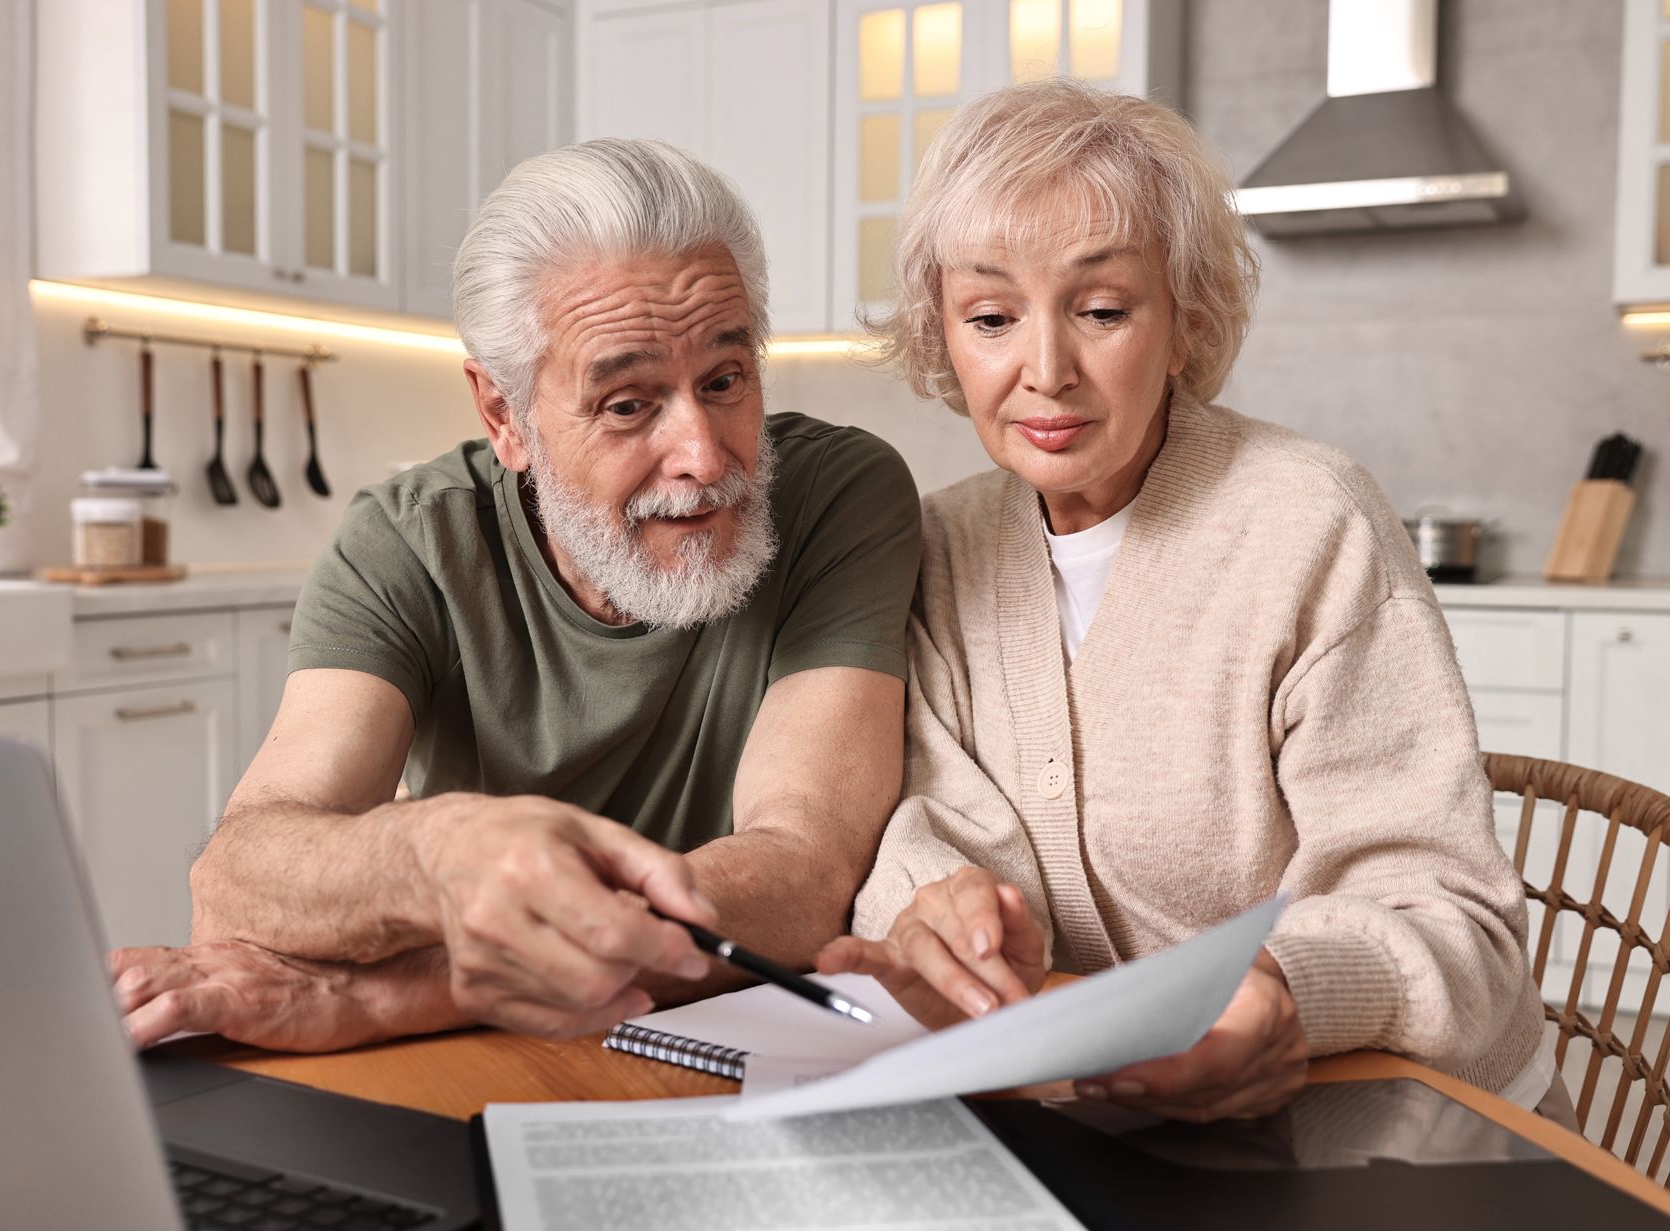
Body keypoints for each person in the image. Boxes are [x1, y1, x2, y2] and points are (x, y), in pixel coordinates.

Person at [816, 80, 1564, 1124]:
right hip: (1111, 1125)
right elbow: (926, 831)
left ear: (1185, 320)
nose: (1046, 371)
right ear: (944, 336)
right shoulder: (935, 546)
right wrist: (938, 913)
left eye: (1103, 310)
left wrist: (1285, 992)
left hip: (1397, 1126)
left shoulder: (1309, 520)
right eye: (991, 316)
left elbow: (1453, 924)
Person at [110, 139, 921, 1051]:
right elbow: (238, 881)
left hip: (742, 1037)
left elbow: (801, 877)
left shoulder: (837, 494)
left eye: (726, 381)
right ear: (505, 418)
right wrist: (441, 853)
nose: (702, 453)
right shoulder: (413, 541)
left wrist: (395, 993)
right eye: (628, 404)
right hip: (487, 1061)